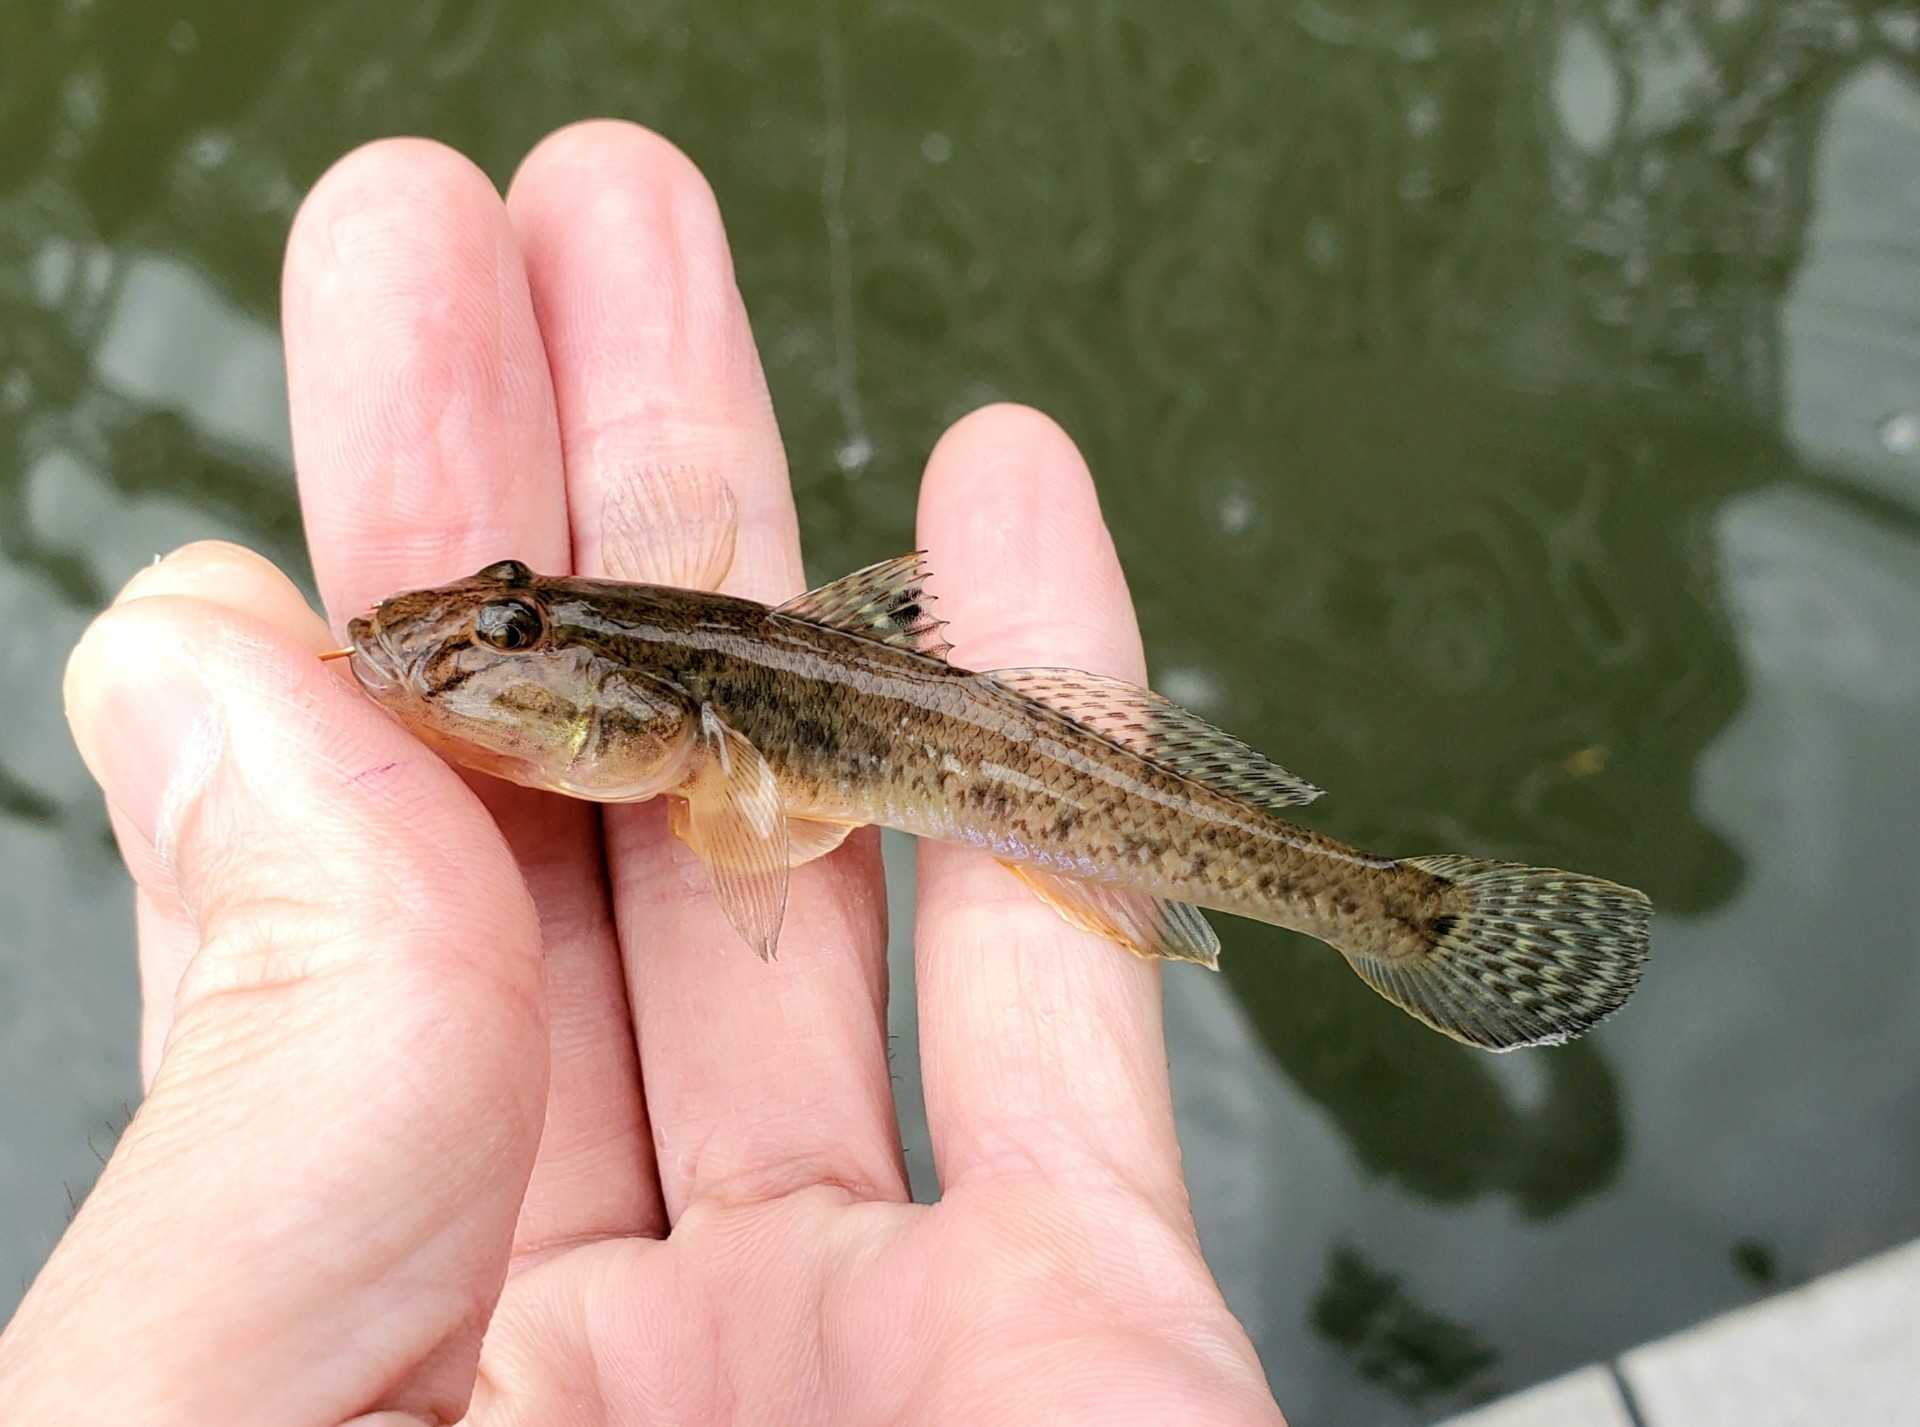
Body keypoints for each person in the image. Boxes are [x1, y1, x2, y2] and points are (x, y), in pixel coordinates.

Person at [0, 123, 1287, 1425]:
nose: (478, 640)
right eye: (515, 609)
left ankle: (1368, 904)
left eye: (513, 627)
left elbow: (747, 837)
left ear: (664, 716)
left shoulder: (702, 712)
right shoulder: (650, 693)